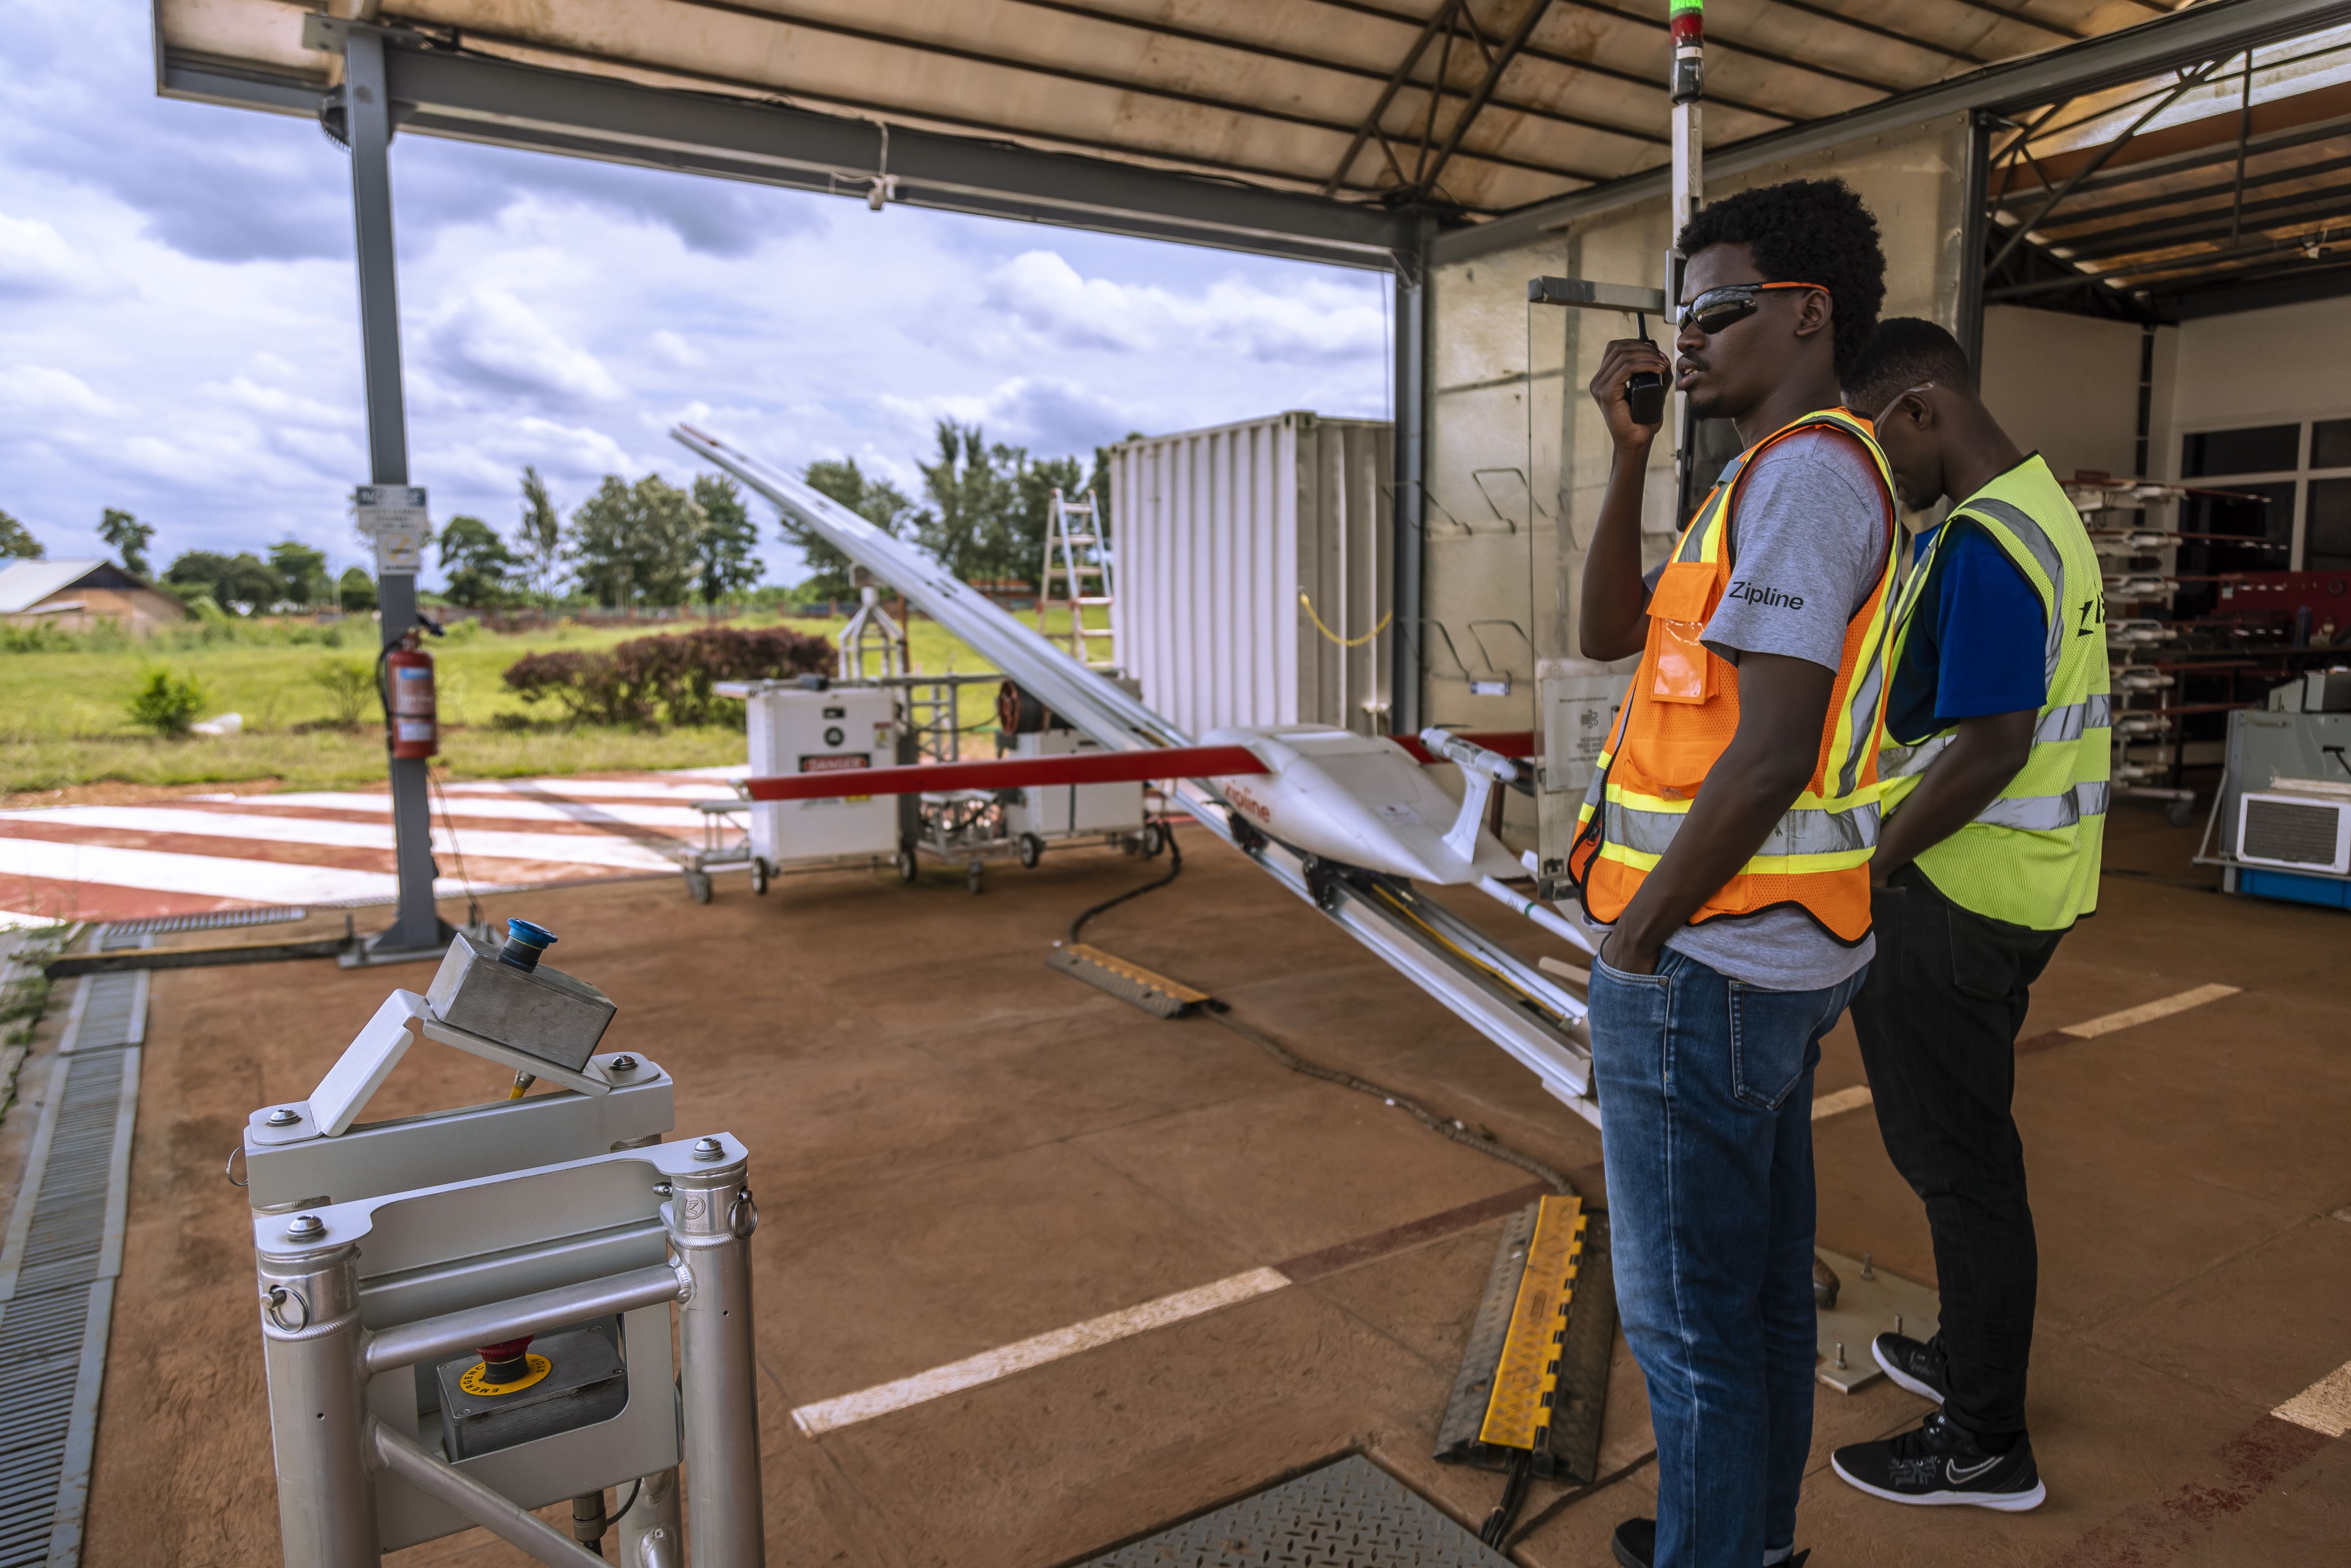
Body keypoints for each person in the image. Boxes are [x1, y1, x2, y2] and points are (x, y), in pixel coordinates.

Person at [1567, 178, 1899, 1568]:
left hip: (1705, 961)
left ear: (1805, 313)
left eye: (1714, 307)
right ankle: (1743, 1545)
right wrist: (1629, 453)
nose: (1683, 336)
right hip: (1755, 955)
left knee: (1685, 1327)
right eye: (1678, 312)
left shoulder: (1808, 478)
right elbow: (1604, 632)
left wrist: (1634, 938)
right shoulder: (1746, 485)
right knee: (1752, 1301)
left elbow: (1766, 757)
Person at [1827, 318, 2109, 1512]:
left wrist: (1874, 865)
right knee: (1969, 1154)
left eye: (1879, 442)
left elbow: (1992, 746)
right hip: (2022, 887)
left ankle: (1984, 1443)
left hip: (1954, 895)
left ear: (1923, 410)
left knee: (1961, 1168)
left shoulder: (1986, 542)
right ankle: (1967, 1360)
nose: (1879, 473)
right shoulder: (2040, 513)